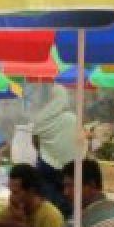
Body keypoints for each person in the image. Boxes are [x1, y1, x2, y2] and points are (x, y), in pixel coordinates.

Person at [32, 86, 80, 217]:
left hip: (45, 165)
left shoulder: (41, 118)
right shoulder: (73, 118)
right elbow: (80, 141)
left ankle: (52, 226)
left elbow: (35, 142)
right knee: (68, 196)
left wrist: (48, 150)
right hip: (68, 166)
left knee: (48, 202)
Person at [0, 163, 64, 227]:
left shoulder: (51, 217)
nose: (11, 197)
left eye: (15, 193)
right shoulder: (12, 210)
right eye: (10, 191)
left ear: (31, 191)